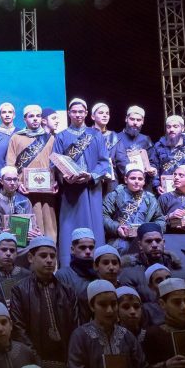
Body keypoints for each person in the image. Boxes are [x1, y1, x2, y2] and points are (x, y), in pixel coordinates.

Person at [9, 237, 78, 368]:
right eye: (43, 255)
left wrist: (68, 367)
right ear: (30, 258)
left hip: (66, 365)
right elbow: (19, 331)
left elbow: (75, 330)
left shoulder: (67, 291)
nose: (49, 260)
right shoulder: (19, 290)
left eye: (52, 256)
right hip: (33, 364)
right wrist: (39, 365)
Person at [51, 98, 111, 266]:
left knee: (94, 226)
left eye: (81, 112)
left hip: (91, 189)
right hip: (71, 191)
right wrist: (65, 177)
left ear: (86, 113)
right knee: (69, 226)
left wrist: (91, 176)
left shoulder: (96, 135)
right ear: (69, 113)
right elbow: (55, 162)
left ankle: (97, 264)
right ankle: (68, 264)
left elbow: (104, 162)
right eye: (74, 112)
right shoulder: (61, 136)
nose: (77, 115)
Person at [66, 280, 150, 368]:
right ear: (91, 306)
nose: (110, 310)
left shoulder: (127, 336)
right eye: (103, 305)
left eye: (113, 304)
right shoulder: (80, 335)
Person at [7, 104, 58, 241]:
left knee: (49, 225)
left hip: (46, 190)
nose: (35, 119)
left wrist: (55, 181)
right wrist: (17, 183)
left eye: (38, 116)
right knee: (27, 227)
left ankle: (49, 251)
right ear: (25, 119)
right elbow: (10, 165)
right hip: (24, 190)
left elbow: (56, 163)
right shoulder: (16, 138)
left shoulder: (50, 138)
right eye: (31, 116)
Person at [119, 223, 185, 302]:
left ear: (164, 243)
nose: (154, 245)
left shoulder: (180, 270)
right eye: (149, 241)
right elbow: (131, 307)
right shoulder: (129, 273)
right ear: (140, 245)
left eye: (158, 240)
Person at [102, 167, 166, 253]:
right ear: (126, 180)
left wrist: (150, 231)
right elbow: (104, 216)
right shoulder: (114, 195)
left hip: (145, 238)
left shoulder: (150, 198)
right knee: (121, 248)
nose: (136, 181)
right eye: (133, 178)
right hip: (120, 238)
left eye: (140, 179)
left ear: (144, 181)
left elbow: (160, 219)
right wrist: (117, 228)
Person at [0, 166, 41, 241]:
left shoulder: (25, 200)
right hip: (3, 240)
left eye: (15, 179)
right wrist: (2, 234)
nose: (12, 183)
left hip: (25, 239)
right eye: (8, 179)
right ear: (1, 181)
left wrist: (36, 232)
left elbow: (32, 224)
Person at [54, 228, 97, 312]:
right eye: (82, 248)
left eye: (91, 247)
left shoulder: (99, 273)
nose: (88, 251)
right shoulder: (63, 275)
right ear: (72, 249)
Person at [113, 105, 155, 182]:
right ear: (126, 119)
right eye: (132, 119)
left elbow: (152, 161)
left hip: (142, 183)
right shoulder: (116, 138)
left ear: (142, 121)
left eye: (138, 120)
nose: (135, 123)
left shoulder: (146, 139)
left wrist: (152, 169)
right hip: (121, 183)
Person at [0, 233, 29, 299]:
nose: (8, 253)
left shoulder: (26, 275)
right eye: (4, 250)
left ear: (16, 253)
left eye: (12, 250)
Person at [90, 102, 118, 195]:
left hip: (110, 181)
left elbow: (122, 160)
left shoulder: (114, 136)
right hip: (92, 179)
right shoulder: (86, 135)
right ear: (93, 116)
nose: (105, 115)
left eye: (107, 113)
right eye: (101, 113)